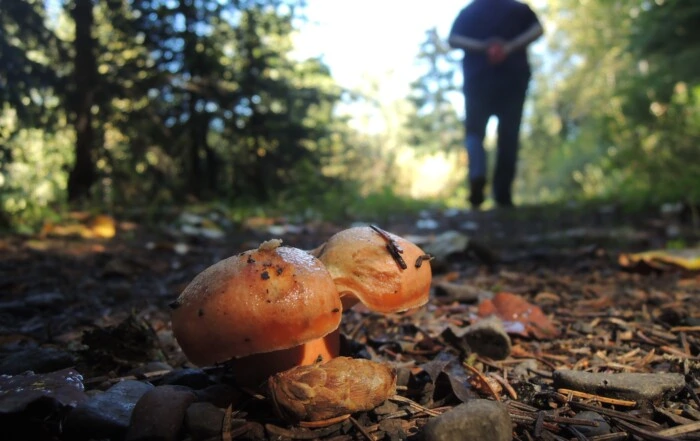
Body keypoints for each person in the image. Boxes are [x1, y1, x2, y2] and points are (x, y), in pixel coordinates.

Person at [448, 0, 543, 209]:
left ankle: (478, 176)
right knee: (509, 136)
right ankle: (502, 194)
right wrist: (509, 47)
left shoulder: (471, 11)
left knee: (475, 133)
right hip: (512, 79)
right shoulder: (518, 9)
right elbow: (538, 29)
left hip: (478, 80)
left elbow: (453, 39)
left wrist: (484, 47)